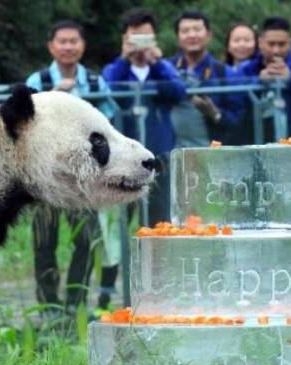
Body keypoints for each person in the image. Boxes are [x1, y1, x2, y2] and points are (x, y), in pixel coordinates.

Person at [24, 19, 117, 315]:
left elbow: (109, 118)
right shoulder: (37, 81)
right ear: (51, 46)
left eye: (73, 41)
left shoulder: (94, 81)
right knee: (44, 242)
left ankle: (75, 304)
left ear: (82, 45)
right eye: (62, 41)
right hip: (45, 175)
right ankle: (49, 306)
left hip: (84, 176)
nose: (68, 46)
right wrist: (55, 93)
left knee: (87, 240)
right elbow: (24, 122)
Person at [102, 9, 186, 225]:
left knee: (159, 218)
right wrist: (124, 58)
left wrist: (156, 62)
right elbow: (106, 92)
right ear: (125, 38)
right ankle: (118, 260)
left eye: (145, 37)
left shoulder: (163, 68)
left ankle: (157, 259)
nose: (140, 42)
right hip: (120, 156)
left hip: (159, 154)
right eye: (135, 36)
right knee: (118, 221)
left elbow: (179, 92)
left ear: (154, 39)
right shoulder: (115, 69)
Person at [238, 17, 291, 141]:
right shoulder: (246, 69)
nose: (276, 50)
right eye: (271, 44)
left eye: (281, 44)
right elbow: (233, 100)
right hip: (253, 141)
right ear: (261, 43)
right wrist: (258, 82)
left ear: (290, 43)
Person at [167, 11, 246, 148]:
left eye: (197, 30)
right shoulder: (166, 70)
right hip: (170, 154)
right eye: (185, 31)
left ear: (209, 35)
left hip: (211, 153)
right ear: (178, 37)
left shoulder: (225, 73)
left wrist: (215, 113)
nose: (191, 35)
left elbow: (239, 121)